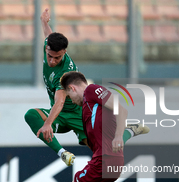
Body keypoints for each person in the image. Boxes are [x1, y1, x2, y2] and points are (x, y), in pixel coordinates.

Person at [24, 8, 146, 167]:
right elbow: (49, 35)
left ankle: (128, 131)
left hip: (77, 113)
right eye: (49, 56)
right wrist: (43, 22)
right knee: (31, 115)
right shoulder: (50, 44)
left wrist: (47, 123)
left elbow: (59, 102)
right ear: (46, 48)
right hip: (61, 116)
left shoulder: (64, 73)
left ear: (64, 52)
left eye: (57, 58)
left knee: (103, 152)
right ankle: (63, 153)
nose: (52, 61)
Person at [60, 71, 149, 182]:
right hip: (107, 160)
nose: (70, 100)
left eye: (69, 95)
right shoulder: (87, 109)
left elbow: (121, 109)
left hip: (104, 161)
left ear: (72, 88)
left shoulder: (92, 90)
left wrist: (118, 135)